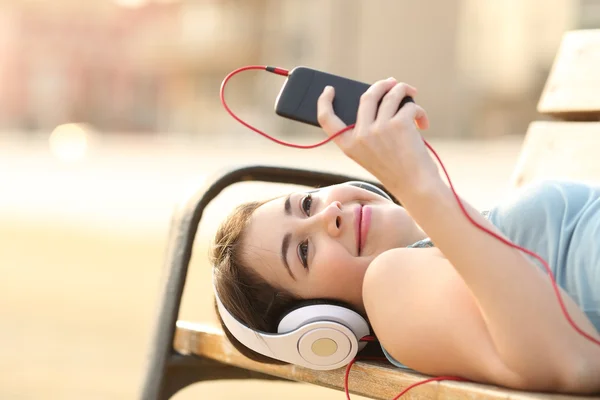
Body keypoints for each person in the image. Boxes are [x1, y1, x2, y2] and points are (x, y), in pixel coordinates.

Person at [211, 78, 600, 393]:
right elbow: (576, 364)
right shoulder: (390, 284)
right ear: (321, 323)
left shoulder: (460, 250)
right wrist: (416, 182)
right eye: (304, 251)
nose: (329, 215)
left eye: (308, 204)